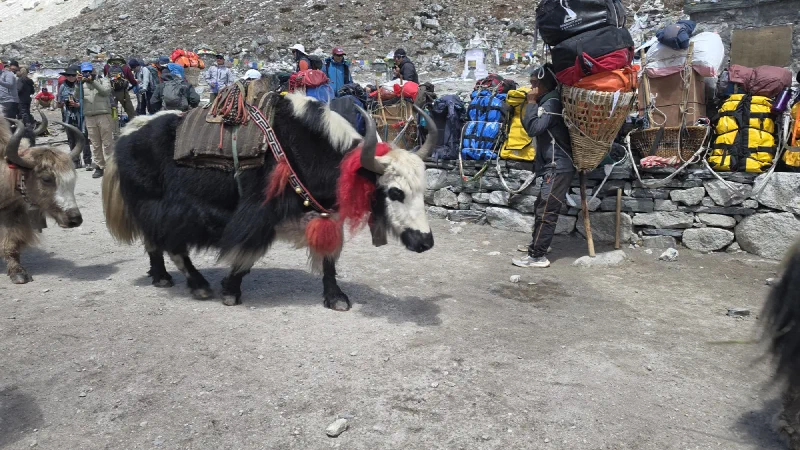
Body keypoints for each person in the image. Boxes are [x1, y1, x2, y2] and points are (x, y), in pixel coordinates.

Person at [512, 64, 574, 269]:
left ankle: (537, 256)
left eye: (533, 84)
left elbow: (533, 128)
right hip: (553, 166)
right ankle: (538, 246)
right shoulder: (548, 100)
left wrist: (530, 103)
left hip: (558, 166)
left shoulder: (552, 102)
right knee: (541, 207)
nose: (530, 89)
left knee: (546, 210)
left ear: (544, 85)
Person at [80, 62, 115, 178]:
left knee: (107, 142)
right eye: (84, 72)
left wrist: (92, 81)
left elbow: (105, 91)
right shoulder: (82, 84)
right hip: (89, 116)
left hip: (103, 114)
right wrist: (77, 84)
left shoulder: (103, 80)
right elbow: (76, 96)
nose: (87, 74)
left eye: (89, 71)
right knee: (95, 144)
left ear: (94, 71)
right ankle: (99, 167)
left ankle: (111, 167)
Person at [56, 65, 92, 169]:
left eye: (73, 75)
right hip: (68, 116)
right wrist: (65, 103)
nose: (71, 77)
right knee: (71, 139)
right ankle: (75, 161)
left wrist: (78, 104)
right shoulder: (63, 86)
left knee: (84, 138)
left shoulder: (82, 85)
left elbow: (88, 100)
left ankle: (88, 161)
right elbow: (59, 103)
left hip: (81, 116)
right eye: (68, 75)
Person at [103, 56, 138, 120]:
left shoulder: (106, 66)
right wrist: (135, 83)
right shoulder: (125, 67)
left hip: (111, 92)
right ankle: (134, 125)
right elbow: (132, 80)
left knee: (113, 111)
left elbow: (105, 79)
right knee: (130, 111)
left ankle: (114, 126)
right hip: (123, 92)